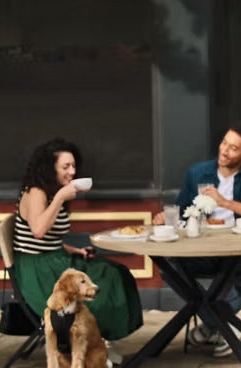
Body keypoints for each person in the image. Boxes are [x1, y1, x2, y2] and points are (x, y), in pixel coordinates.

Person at [153, 121, 241, 357]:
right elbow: (182, 210)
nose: (224, 151)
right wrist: (165, 217)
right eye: (224, 143)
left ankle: (211, 325)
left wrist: (225, 203)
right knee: (168, 266)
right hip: (202, 249)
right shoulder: (198, 173)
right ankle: (223, 324)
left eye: (233, 148)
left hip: (239, 251)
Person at [12, 138, 143, 350]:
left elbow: (51, 241)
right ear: (49, 168)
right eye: (66, 167)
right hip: (38, 271)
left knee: (116, 271)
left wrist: (77, 250)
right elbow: (38, 231)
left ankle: (100, 337)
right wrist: (60, 198)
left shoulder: (52, 191)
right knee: (107, 280)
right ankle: (96, 340)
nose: (72, 172)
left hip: (54, 259)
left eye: (73, 166)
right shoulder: (37, 191)